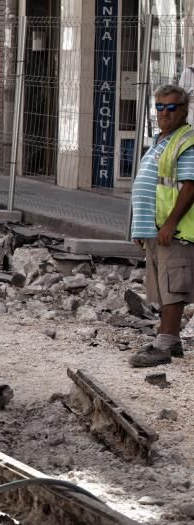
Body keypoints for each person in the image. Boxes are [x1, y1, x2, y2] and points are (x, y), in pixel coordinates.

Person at [128, 84, 194, 367]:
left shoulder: (186, 140)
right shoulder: (159, 140)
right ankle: (173, 342)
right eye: (160, 107)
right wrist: (139, 228)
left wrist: (170, 223)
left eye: (171, 107)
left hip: (174, 230)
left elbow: (190, 186)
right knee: (162, 286)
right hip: (154, 229)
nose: (164, 113)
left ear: (184, 109)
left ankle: (164, 345)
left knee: (173, 287)